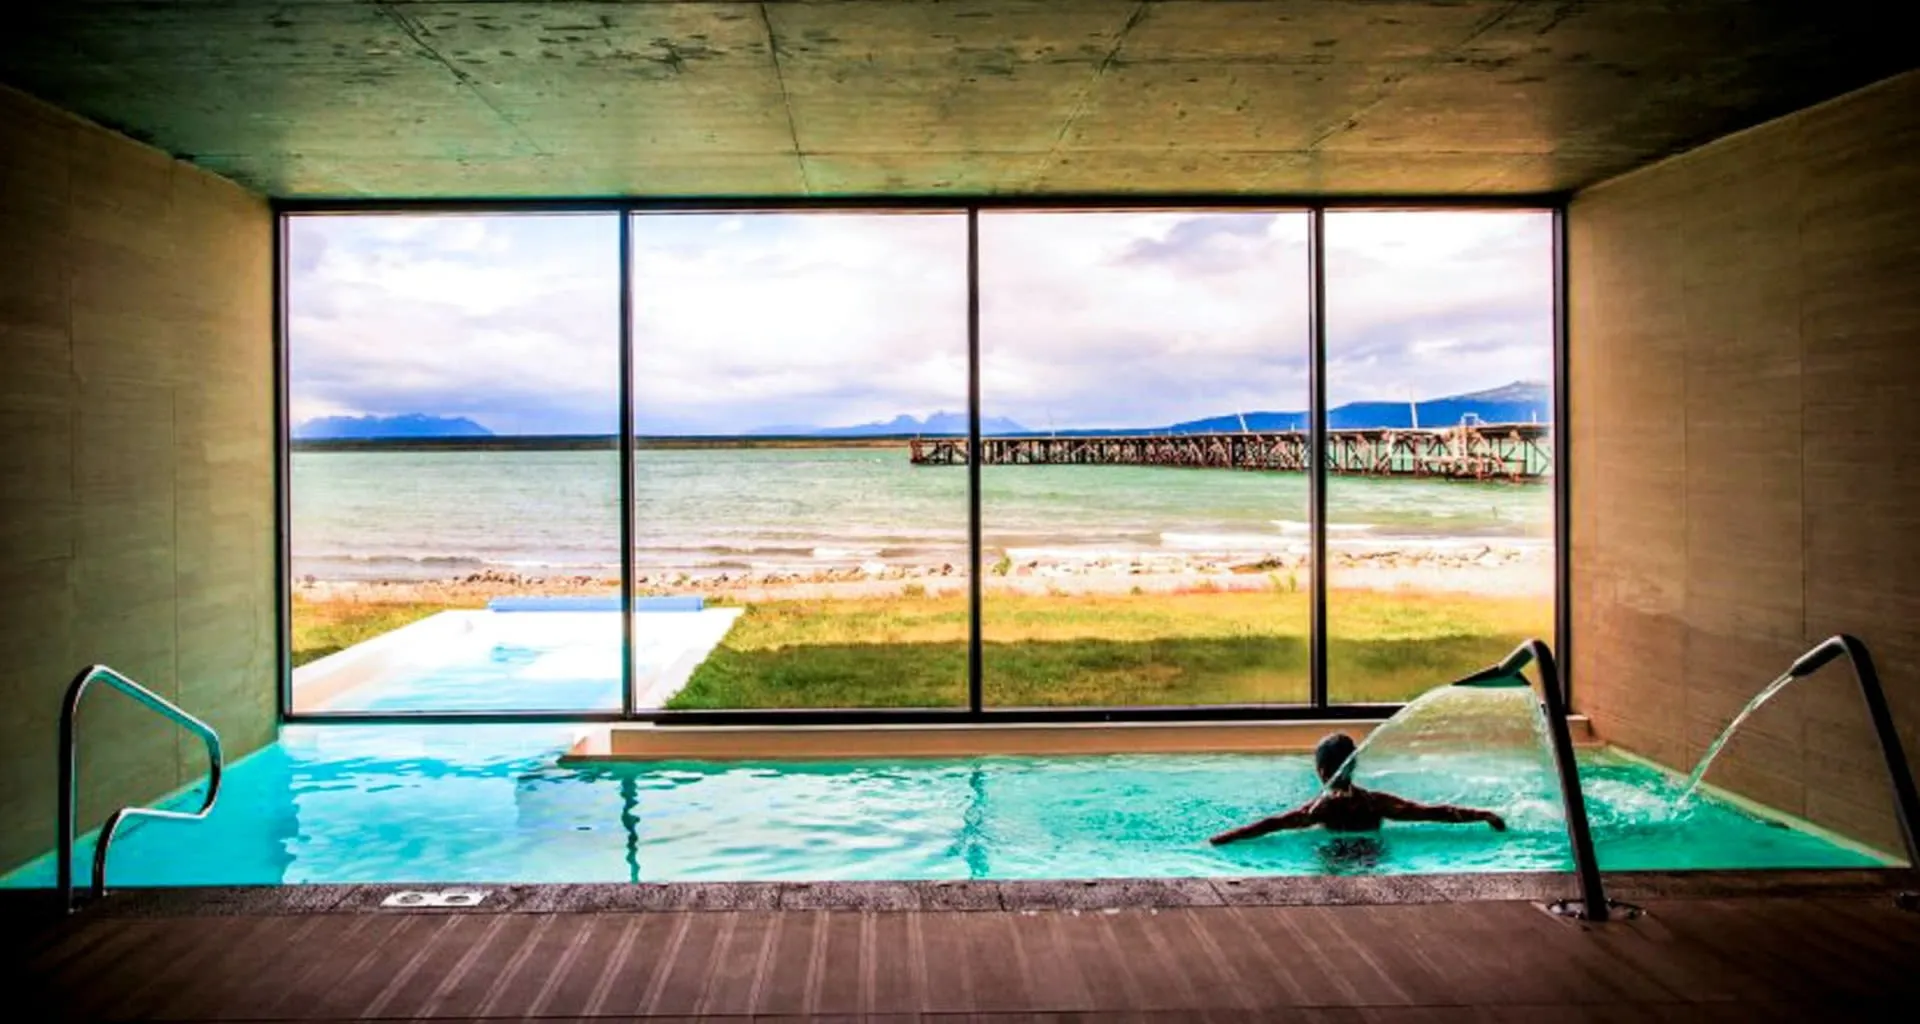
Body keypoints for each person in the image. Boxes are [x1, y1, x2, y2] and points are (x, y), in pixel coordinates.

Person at [1210, 732, 1506, 845]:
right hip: (1373, 857)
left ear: (1323, 771)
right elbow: (1433, 813)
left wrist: (1223, 838)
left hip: (1336, 858)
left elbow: (1272, 825)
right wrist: (1482, 814)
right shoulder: (1375, 803)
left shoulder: (1322, 809)